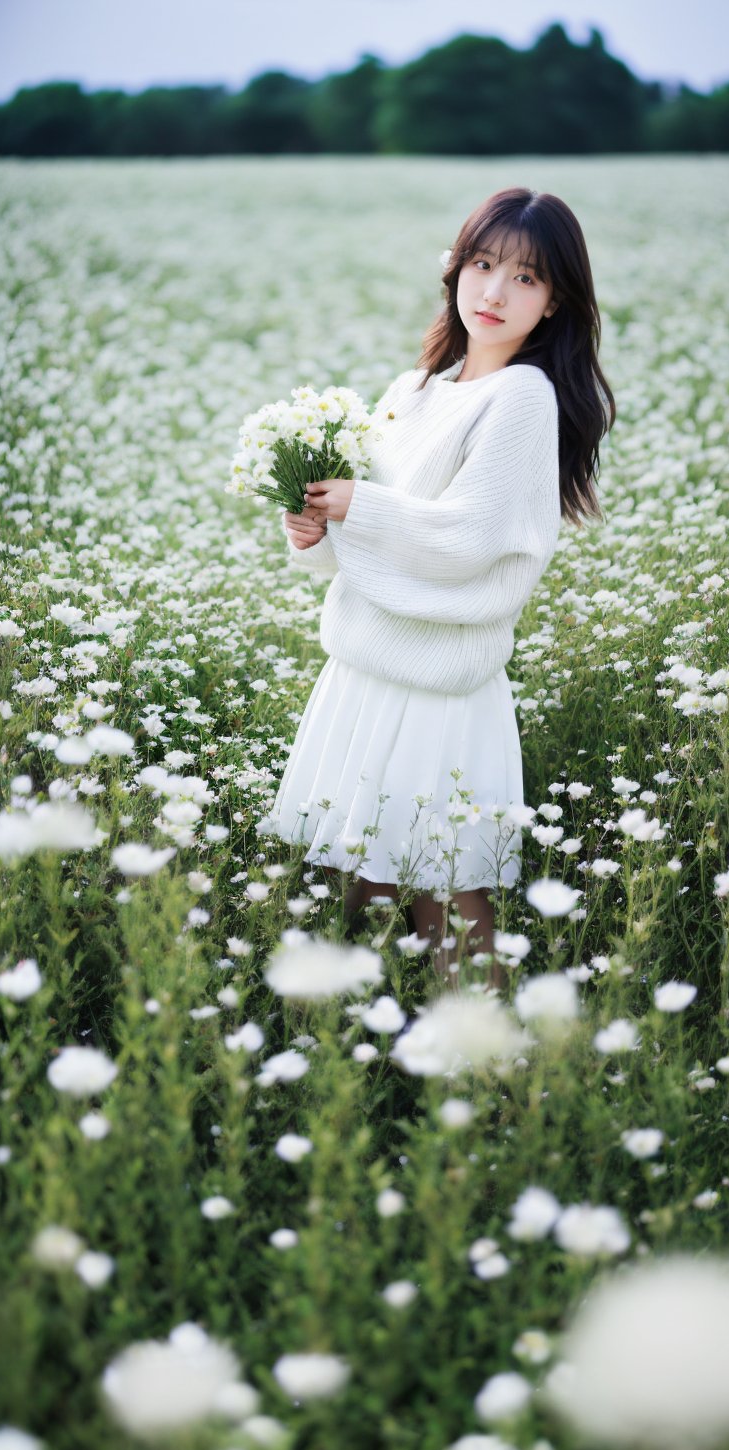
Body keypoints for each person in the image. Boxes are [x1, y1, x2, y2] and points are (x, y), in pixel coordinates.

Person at [264, 185, 615, 987]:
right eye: (483, 264)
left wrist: (364, 505)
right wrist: (317, 529)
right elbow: (369, 546)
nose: (494, 292)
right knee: (360, 889)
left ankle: (489, 1081)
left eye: (525, 278)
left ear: (556, 300)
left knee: (448, 902)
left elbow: (470, 540)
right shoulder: (411, 390)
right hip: (362, 674)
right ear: (454, 271)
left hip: (437, 692)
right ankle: (372, 1065)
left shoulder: (522, 396)